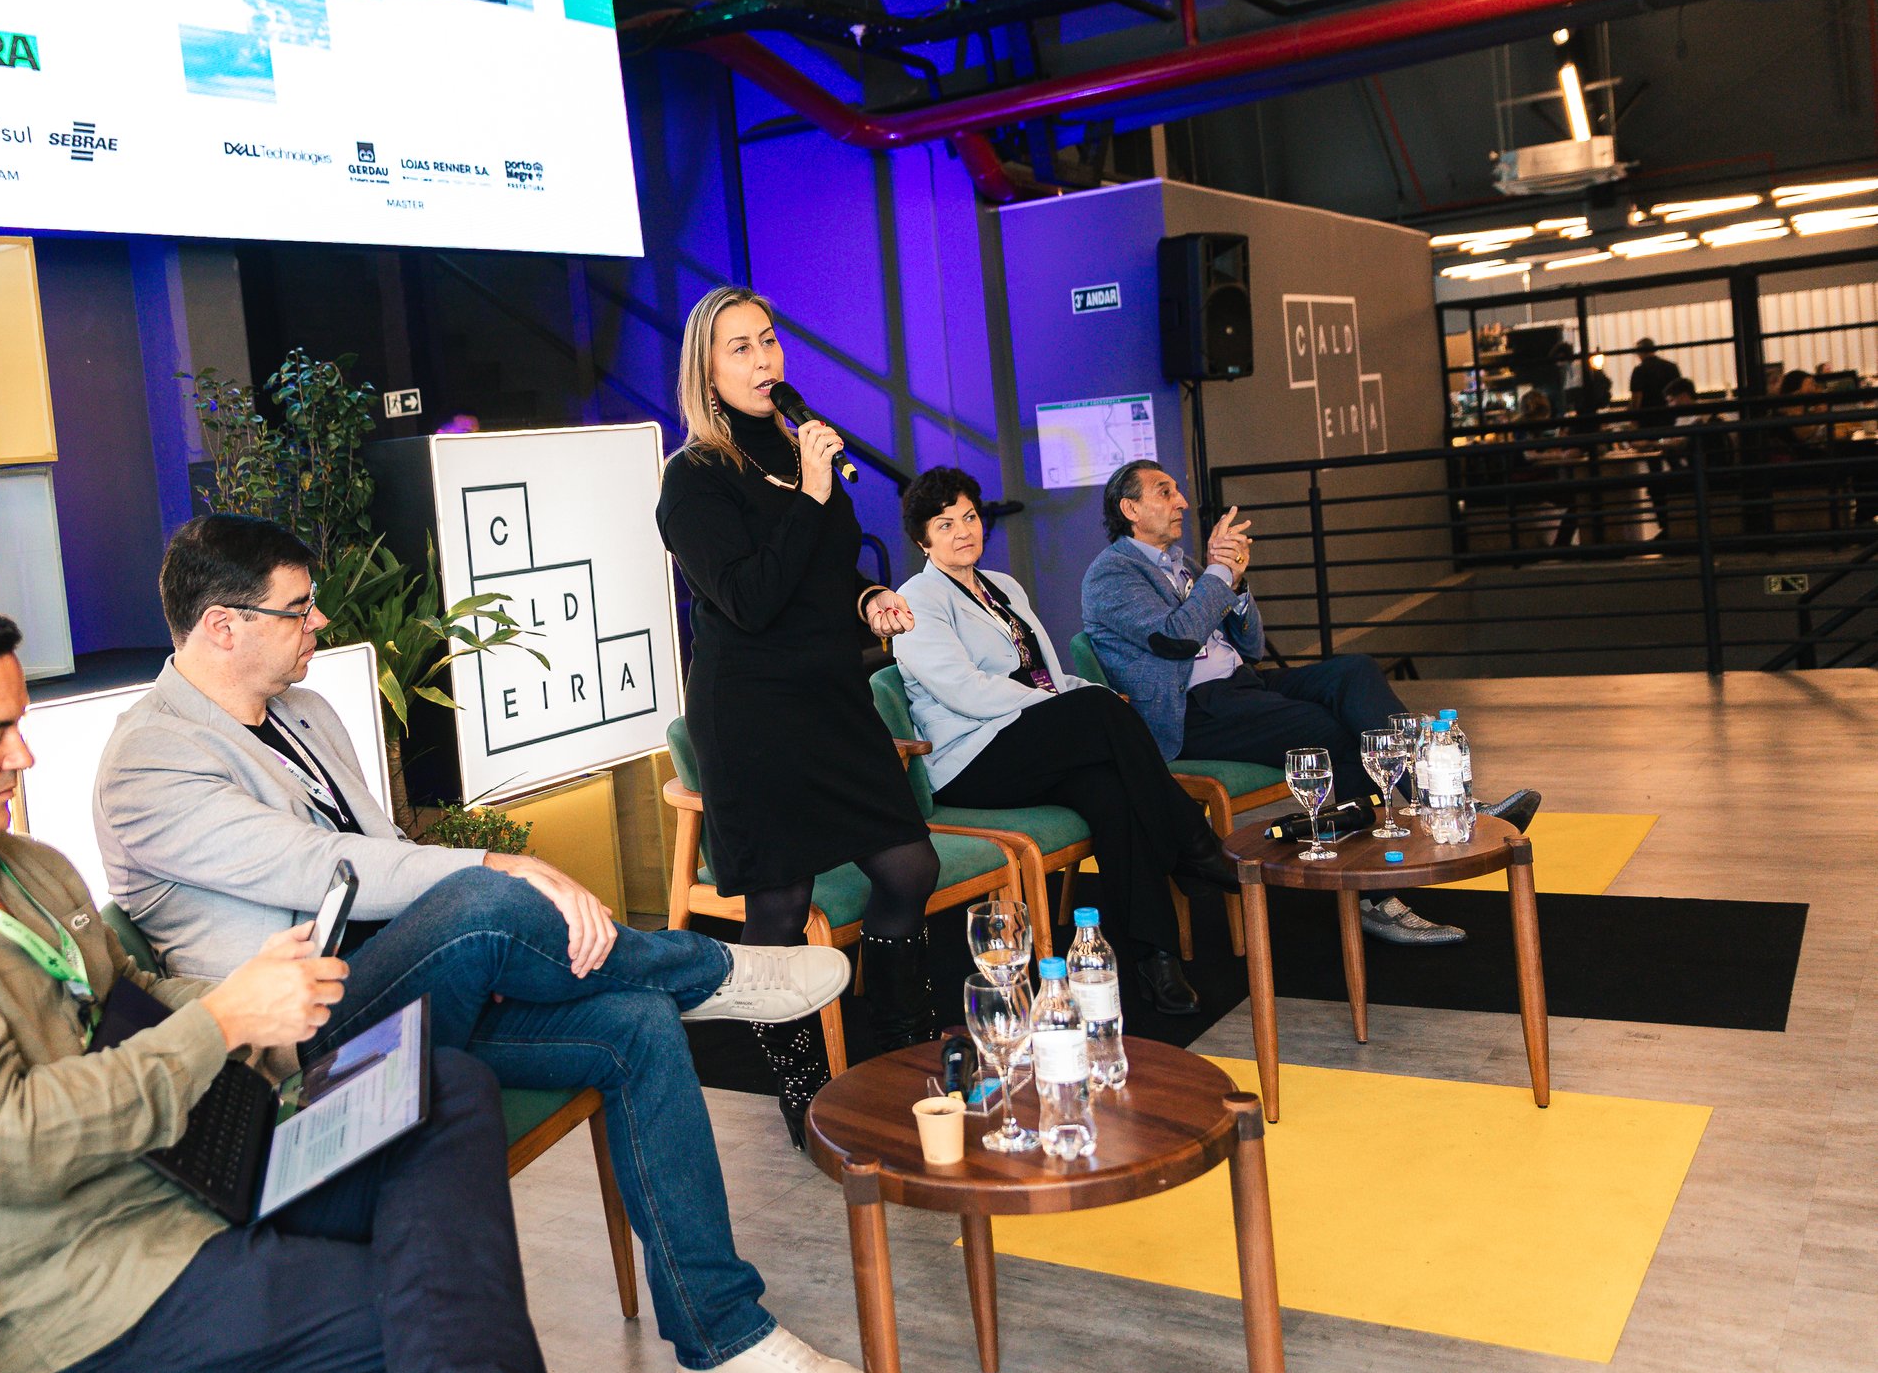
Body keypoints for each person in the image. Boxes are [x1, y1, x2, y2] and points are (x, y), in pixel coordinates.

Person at [0, 599, 657, 1373]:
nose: (24, 755)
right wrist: (222, 1020)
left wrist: (265, 1005)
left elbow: (128, 995)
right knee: (449, 1311)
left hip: (188, 1172)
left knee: (440, 1083)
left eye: (18, 724)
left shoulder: (20, 865)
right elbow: (10, 1140)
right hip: (71, 1302)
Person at [95, 514, 869, 1373]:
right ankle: (706, 970)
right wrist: (498, 868)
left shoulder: (306, 712)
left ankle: (721, 1337)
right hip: (306, 1044)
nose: (319, 624)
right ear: (223, 625)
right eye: (299, 609)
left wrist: (480, 938)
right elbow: (323, 867)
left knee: (636, 1024)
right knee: (482, 900)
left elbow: (387, 853)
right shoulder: (148, 762)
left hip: (407, 985)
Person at [654, 285, 939, 1140]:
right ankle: (803, 1089)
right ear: (706, 371)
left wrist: (867, 600)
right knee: (780, 906)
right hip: (752, 713)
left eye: (769, 340)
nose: (762, 359)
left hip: (829, 698)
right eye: (739, 347)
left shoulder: (795, 446)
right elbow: (748, 598)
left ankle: (899, 1048)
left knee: (908, 866)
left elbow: (825, 570)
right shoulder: (693, 479)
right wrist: (811, 493)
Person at [1079, 461, 1538, 948]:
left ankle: (1441, 805)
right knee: (1341, 732)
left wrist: (1237, 585)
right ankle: (1380, 892)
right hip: (1189, 711)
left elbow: (1251, 646)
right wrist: (1218, 573)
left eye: (1178, 491)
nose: (1182, 502)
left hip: (1242, 685)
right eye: (1164, 492)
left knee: (1355, 671)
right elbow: (1175, 639)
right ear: (1130, 509)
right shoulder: (1111, 574)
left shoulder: (1183, 565)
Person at [889, 467, 1237, 1014]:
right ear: (922, 541)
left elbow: (1047, 675)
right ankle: (1193, 843)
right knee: (1098, 712)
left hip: (1027, 742)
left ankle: (1155, 958)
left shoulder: (1003, 586)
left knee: (1111, 791)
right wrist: (1069, 707)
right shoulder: (917, 600)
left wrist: (1087, 696)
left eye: (970, 517)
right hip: (971, 758)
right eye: (945, 524)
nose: (964, 531)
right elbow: (965, 692)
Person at [1628, 339, 1682, 423]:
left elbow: (1636, 396)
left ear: (1641, 352)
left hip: (1648, 417)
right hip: (1669, 415)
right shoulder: (1671, 367)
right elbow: (1680, 391)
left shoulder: (1639, 370)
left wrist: (1634, 418)